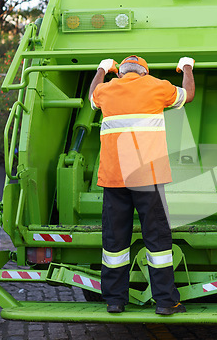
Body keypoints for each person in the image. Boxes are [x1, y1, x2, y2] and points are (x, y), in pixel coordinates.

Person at [89, 55, 195, 315]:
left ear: (120, 73)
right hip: (148, 178)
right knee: (157, 239)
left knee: (115, 241)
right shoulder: (156, 86)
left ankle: (115, 300)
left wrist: (102, 69)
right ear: (144, 73)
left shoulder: (107, 89)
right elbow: (188, 94)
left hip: (115, 179)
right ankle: (166, 302)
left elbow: (92, 95)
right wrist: (187, 67)